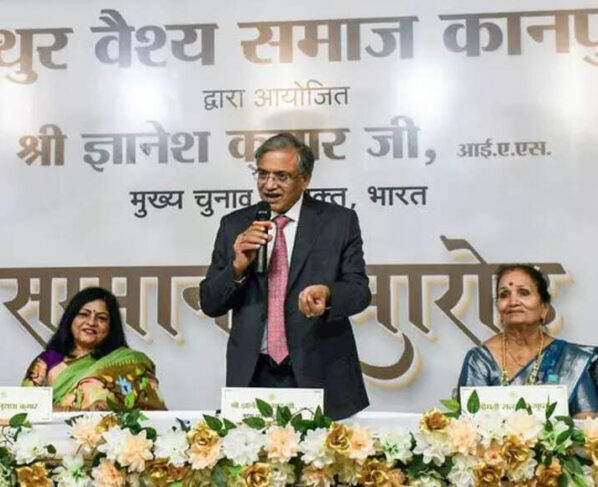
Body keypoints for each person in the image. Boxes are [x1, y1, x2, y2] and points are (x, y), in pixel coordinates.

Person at [200, 132, 371, 420]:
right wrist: (237, 267)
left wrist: (329, 295)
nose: (269, 185)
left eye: (281, 176)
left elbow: (359, 291)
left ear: (304, 179)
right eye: (262, 174)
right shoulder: (234, 225)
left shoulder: (338, 222)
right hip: (253, 374)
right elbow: (210, 302)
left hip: (319, 371)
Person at [458, 264, 598, 417]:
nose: (513, 302)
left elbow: (587, 421)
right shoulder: (480, 360)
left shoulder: (571, 360)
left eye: (523, 293)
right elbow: (469, 423)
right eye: (504, 295)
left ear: (544, 308)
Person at [22, 287, 166, 411]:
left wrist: (111, 411)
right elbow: (24, 409)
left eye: (101, 318)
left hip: (112, 434)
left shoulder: (131, 363)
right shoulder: (47, 361)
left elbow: (151, 413)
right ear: (71, 319)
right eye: (83, 314)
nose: (91, 322)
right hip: (54, 434)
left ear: (111, 326)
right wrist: (82, 413)